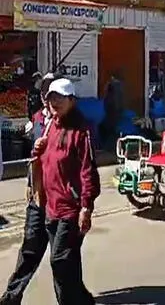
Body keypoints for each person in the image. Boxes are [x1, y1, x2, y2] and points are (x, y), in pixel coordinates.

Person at [32, 78, 100, 305]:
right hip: (51, 206)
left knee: (60, 262)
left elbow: (88, 171)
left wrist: (86, 207)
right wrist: (38, 149)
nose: (54, 103)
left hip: (70, 210)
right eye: (52, 98)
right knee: (67, 264)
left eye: (60, 98)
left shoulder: (81, 131)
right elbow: (46, 162)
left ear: (72, 100)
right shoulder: (52, 125)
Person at [0, 73, 58, 305]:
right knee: (29, 249)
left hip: (61, 201)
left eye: (51, 92)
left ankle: (74, 297)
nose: (47, 97)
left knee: (63, 258)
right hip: (38, 197)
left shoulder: (72, 123)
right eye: (44, 92)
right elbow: (34, 158)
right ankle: (12, 296)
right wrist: (29, 183)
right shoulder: (36, 118)